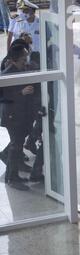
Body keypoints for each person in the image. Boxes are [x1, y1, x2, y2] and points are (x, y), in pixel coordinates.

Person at [0, 45, 39, 191]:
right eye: (23, 58)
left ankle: (13, 174)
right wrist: (21, 93)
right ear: (14, 60)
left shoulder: (23, 69)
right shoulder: (7, 74)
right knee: (16, 146)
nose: (26, 61)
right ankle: (12, 177)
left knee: (17, 144)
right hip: (12, 116)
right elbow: (3, 97)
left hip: (22, 114)